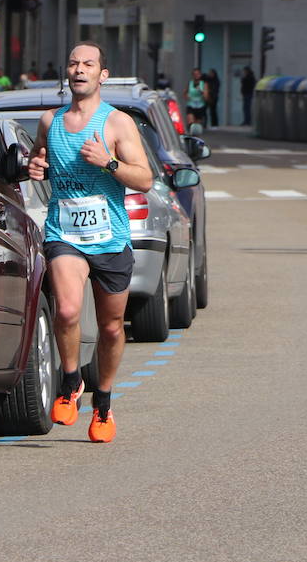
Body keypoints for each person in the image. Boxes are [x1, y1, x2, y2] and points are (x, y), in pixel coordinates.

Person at [28, 42, 153, 443]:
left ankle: (103, 403)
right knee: (66, 310)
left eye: (89, 64)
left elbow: (145, 179)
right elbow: (39, 161)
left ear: (103, 75)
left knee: (112, 327)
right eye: (73, 63)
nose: (79, 69)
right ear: (67, 72)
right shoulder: (51, 121)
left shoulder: (116, 124)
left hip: (110, 238)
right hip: (65, 233)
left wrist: (109, 163)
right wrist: (36, 166)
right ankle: (70, 382)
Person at [184, 68, 209, 134]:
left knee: (197, 126)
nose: (196, 76)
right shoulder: (190, 83)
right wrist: (187, 96)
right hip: (191, 105)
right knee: (191, 122)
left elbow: (206, 97)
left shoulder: (203, 84)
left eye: (198, 74)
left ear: (200, 75)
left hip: (200, 106)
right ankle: (190, 133)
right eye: (194, 74)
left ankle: (195, 138)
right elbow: (185, 93)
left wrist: (201, 91)